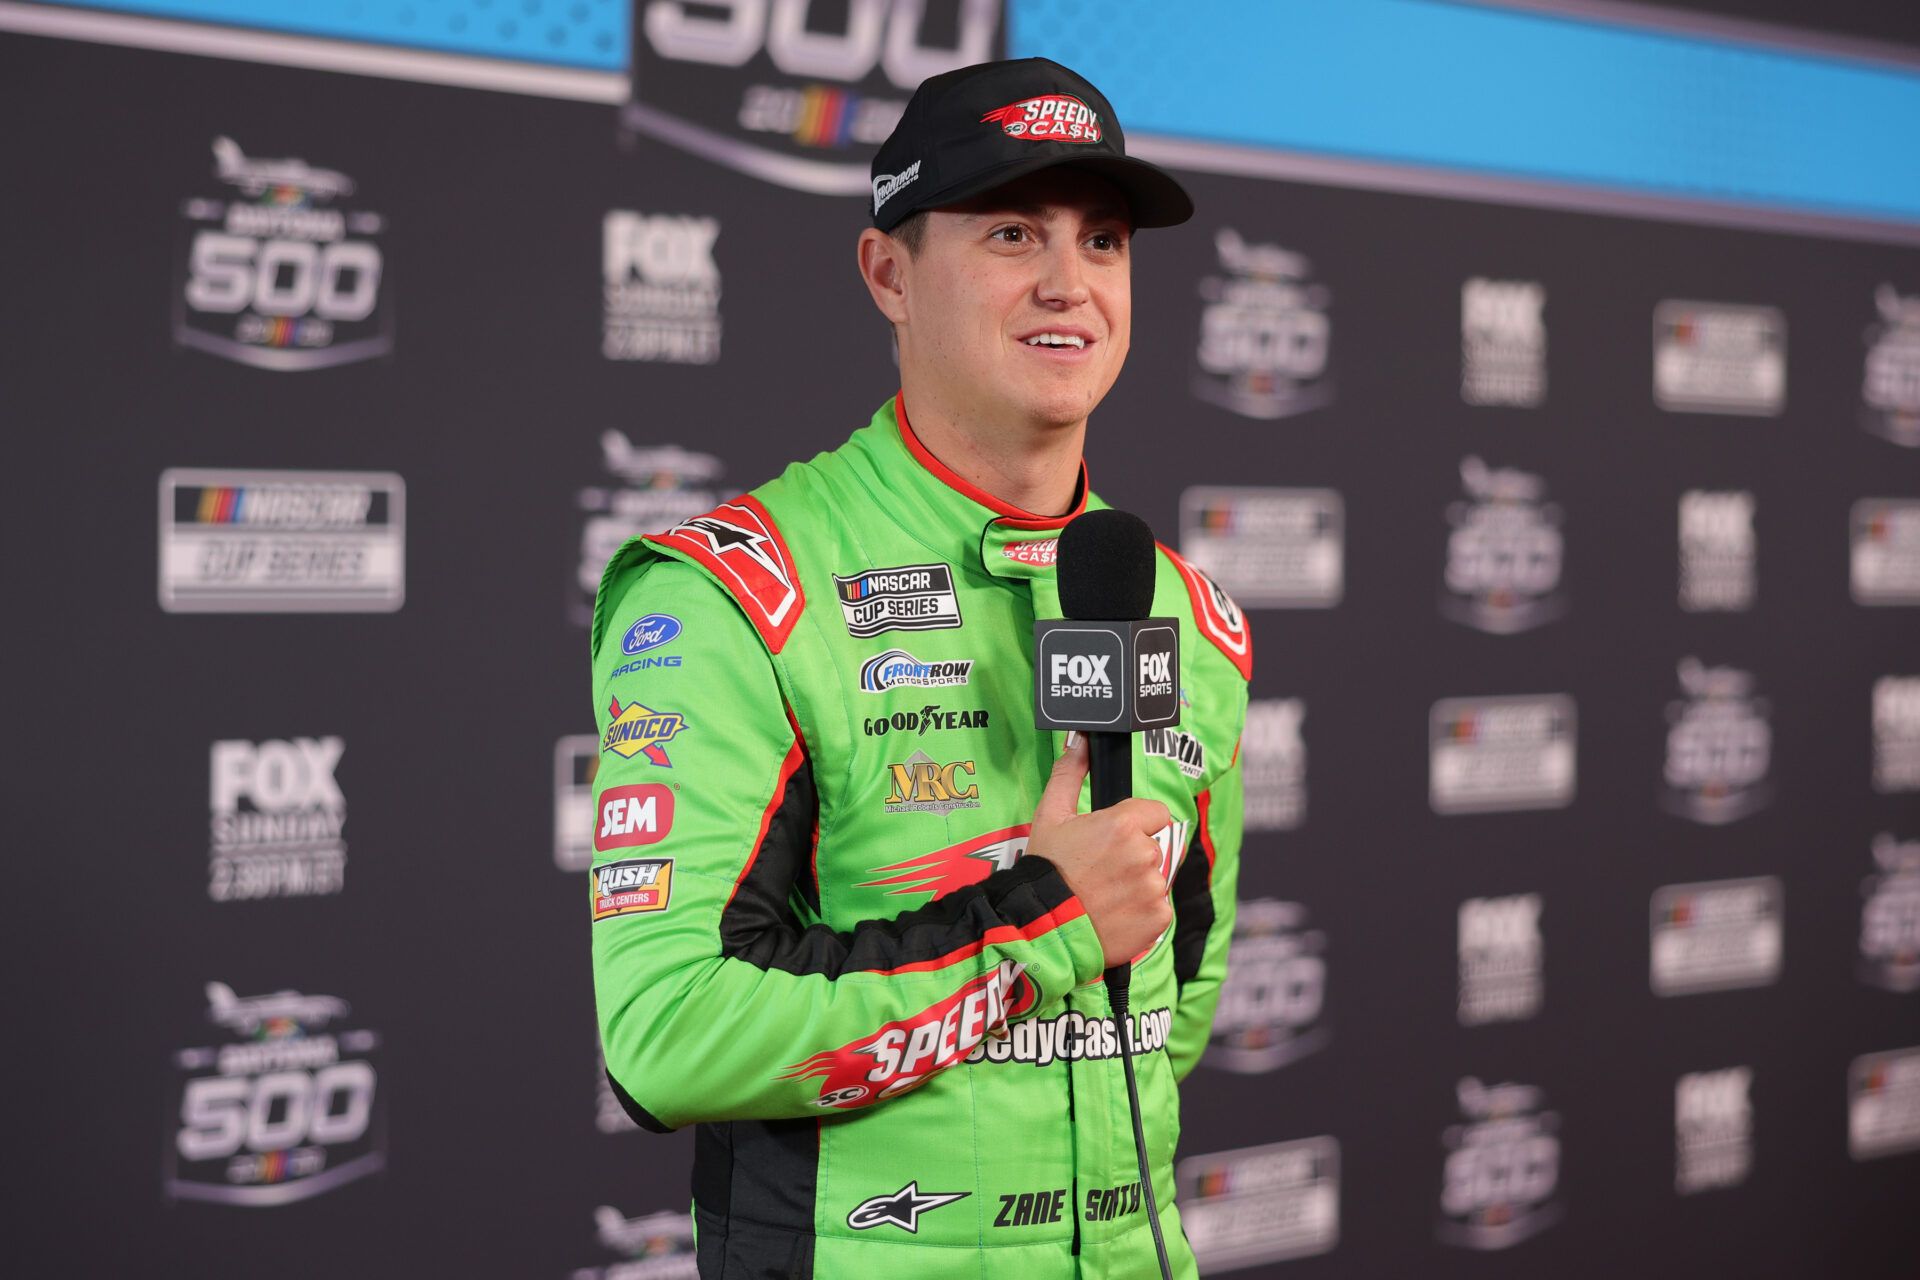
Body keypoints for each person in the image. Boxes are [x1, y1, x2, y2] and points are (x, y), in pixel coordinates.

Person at [588, 57, 1252, 1280]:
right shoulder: (737, 590)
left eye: (1102, 241)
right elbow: (667, 1034)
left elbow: (1177, 994)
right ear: (888, 273)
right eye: (1012, 231)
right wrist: (1042, 921)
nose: (1070, 283)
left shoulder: (1189, 611)